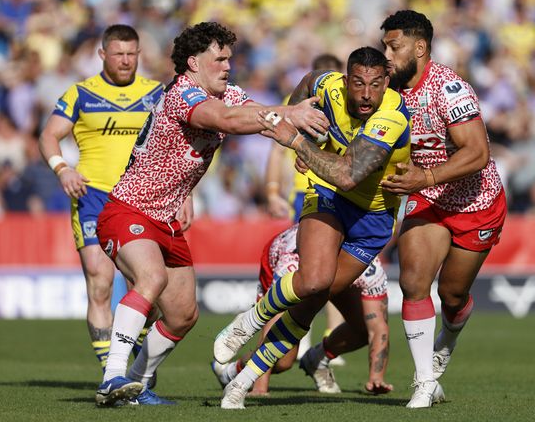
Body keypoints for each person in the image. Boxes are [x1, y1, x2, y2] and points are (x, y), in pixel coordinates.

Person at [92, 21, 328, 407]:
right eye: (218, 59)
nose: (227, 65)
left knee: (183, 315)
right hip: (128, 209)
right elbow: (227, 121)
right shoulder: (182, 93)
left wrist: (304, 137)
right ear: (192, 63)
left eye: (229, 58)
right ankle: (112, 375)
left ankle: (135, 384)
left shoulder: (228, 92)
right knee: (149, 278)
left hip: (167, 220)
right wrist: (288, 111)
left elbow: (258, 118)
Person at [213, 46, 411, 409]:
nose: (367, 93)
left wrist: (298, 143)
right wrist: (303, 122)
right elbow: (305, 86)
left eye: (376, 84)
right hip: (330, 197)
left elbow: (350, 175)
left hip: (374, 219)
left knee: (311, 302)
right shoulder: (327, 85)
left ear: (387, 84)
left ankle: (241, 381)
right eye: (359, 83)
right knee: (314, 281)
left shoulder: (392, 116)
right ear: (346, 80)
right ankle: (247, 323)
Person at [379, 10, 507, 409]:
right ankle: (423, 381)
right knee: (414, 282)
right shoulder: (389, 91)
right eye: (384, 45)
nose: (386, 54)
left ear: (419, 48)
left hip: (476, 202)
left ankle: (443, 348)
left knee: (452, 295)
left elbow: (478, 152)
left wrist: (427, 178)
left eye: (394, 46)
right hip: (429, 198)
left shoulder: (448, 88)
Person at [38, 24, 165, 374]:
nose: (125, 61)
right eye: (118, 54)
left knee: (149, 285)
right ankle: (112, 370)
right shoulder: (81, 93)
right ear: (102, 55)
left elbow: (176, 146)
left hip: (142, 196)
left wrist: (186, 195)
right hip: (94, 194)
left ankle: (132, 360)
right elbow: (49, 135)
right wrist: (63, 168)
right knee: (99, 279)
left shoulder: (156, 93)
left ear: (139, 55)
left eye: (131, 54)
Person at [211, 223, 392, 396]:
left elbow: (378, 328)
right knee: (282, 361)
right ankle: (232, 371)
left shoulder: (370, 268)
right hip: (281, 253)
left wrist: (376, 378)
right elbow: (274, 319)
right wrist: (260, 386)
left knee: (362, 328)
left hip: (328, 269)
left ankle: (317, 359)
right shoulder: (293, 263)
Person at [265, 53, 348, 363]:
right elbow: (277, 152)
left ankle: (331, 335)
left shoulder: (354, 106)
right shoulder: (300, 104)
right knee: (306, 268)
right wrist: (273, 191)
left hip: (339, 190)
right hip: (304, 193)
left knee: (336, 268)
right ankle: (302, 331)